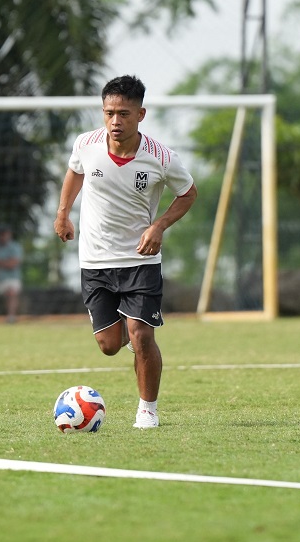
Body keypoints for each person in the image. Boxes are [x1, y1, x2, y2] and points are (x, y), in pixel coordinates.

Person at [54, 75, 197, 429]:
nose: (115, 121)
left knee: (142, 334)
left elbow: (189, 193)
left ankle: (147, 410)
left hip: (140, 261)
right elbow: (75, 173)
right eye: (109, 113)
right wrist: (63, 213)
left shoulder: (161, 156)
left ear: (141, 114)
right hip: (95, 261)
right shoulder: (86, 144)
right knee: (108, 345)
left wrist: (159, 226)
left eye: (124, 114)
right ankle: (134, 340)